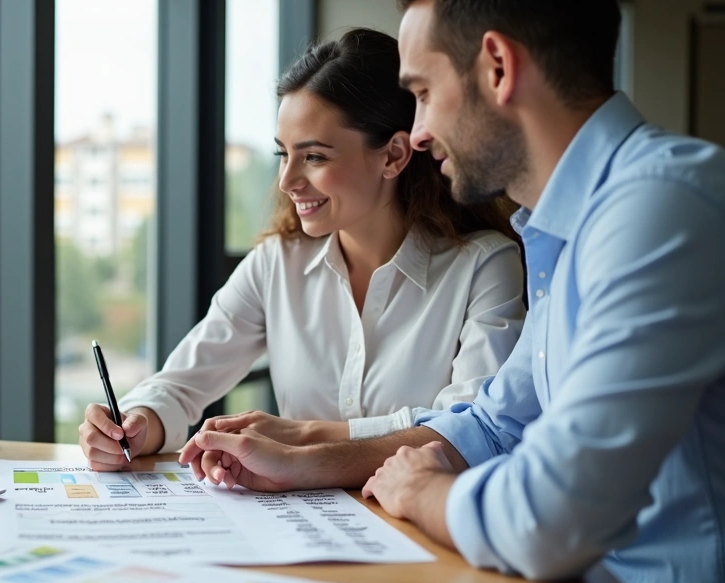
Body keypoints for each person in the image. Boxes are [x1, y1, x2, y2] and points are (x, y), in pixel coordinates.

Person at [185, 1, 725, 583]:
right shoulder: (569, 229)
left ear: (497, 67)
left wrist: (425, 494)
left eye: (421, 92)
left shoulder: (658, 210)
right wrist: (302, 464)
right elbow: (494, 426)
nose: (413, 134)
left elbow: (548, 518)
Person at [79, 28, 526, 472]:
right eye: (283, 155)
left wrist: (307, 439)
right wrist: (137, 424)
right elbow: (180, 385)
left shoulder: (485, 266)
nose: (287, 181)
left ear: (393, 155)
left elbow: (471, 429)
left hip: (424, 525)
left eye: (314, 157)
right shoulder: (277, 263)